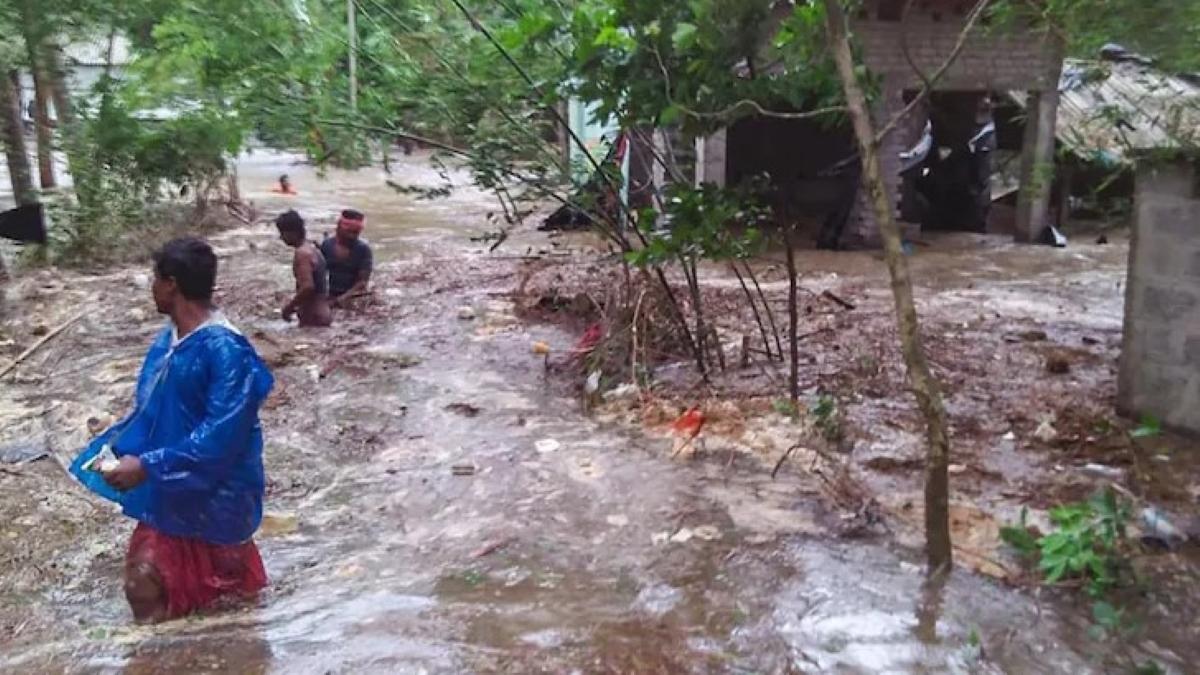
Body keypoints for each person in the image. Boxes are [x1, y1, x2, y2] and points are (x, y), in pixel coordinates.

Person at [70, 237, 274, 623]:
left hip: (219, 500)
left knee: (230, 605)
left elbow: (220, 438)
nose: (152, 288)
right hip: (172, 491)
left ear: (172, 284)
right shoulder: (169, 342)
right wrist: (117, 453)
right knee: (143, 588)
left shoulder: (226, 352)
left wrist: (147, 465)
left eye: (155, 279)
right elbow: (151, 412)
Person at [275, 210, 332, 327]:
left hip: (314, 318)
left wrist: (289, 308)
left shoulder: (302, 254)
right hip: (322, 314)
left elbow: (307, 287)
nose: (281, 237)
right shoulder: (312, 249)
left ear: (293, 233)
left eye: (282, 233)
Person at [320, 209, 373, 307]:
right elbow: (319, 274)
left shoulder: (363, 250)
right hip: (330, 293)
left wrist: (340, 300)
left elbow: (362, 282)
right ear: (338, 227)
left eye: (355, 233)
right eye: (349, 232)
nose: (352, 236)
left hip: (352, 296)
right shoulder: (326, 245)